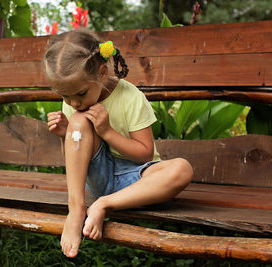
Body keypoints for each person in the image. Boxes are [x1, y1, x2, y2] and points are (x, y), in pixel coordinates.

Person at [44, 27, 193, 258]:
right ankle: (76, 209)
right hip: (98, 176)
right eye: (65, 96)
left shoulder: (130, 97)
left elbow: (145, 154)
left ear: (102, 73)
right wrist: (67, 134)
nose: (73, 102)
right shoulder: (75, 104)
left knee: (182, 168)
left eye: (81, 94)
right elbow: (76, 160)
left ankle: (103, 205)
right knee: (78, 122)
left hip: (138, 180)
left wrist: (107, 131)